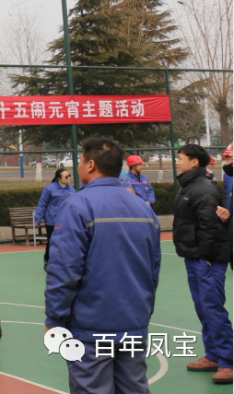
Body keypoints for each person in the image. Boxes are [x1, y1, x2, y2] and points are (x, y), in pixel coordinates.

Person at [45, 138, 161, 394]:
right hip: (133, 321)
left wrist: (54, 319)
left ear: (90, 165)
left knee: (91, 387)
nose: (77, 167)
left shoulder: (77, 205)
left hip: (91, 326)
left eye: (80, 161)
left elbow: (65, 270)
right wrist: (142, 312)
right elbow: (153, 270)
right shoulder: (144, 210)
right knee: (133, 387)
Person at [173, 143, 233, 385]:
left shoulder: (203, 189)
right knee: (203, 308)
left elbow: (210, 227)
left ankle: (229, 361)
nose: (177, 162)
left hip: (207, 259)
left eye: (180, 158)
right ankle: (214, 356)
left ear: (194, 162)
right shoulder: (190, 186)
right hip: (195, 256)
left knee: (212, 308)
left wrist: (206, 258)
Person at [34, 169, 76, 269]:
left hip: (66, 221)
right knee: (52, 241)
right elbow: (42, 204)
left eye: (69, 176)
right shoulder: (49, 189)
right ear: (59, 179)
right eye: (66, 177)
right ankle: (48, 261)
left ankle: (63, 262)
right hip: (52, 221)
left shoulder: (72, 190)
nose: (69, 178)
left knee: (66, 242)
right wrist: (38, 219)